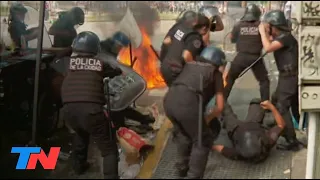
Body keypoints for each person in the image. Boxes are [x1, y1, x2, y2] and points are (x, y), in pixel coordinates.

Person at [61, 31, 122, 178]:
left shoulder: (67, 63)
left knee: (81, 133)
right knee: (108, 149)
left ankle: (78, 167)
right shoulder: (100, 63)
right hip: (92, 111)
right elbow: (117, 71)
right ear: (95, 49)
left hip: (69, 111)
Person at [163, 46, 225, 178]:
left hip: (169, 100)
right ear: (218, 63)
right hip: (187, 104)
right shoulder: (215, 73)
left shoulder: (189, 65)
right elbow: (219, 107)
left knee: (183, 134)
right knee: (202, 140)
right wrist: (206, 120)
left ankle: (181, 169)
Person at [258, 10, 302, 151]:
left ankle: (292, 141)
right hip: (288, 76)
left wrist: (262, 32)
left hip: (289, 77)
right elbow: (270, 42)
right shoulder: (283, 36)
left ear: (274, 25)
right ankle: (298, 127)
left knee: (281, 106)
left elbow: (269, 47)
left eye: (268, 26)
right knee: (282, 101)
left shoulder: (285, 37)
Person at [100, 31, 156, 129]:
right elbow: (107, 66)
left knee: (120, 103)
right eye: (119, 46)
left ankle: (142, 119)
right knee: (115, 106)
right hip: (99, 82)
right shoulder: (102, 50)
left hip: (108, 80)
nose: (120, 49)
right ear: (115, 42)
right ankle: (120, 128)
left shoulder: (110, 49)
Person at [212, 99, 285, 162]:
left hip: (235, 128)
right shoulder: (268, 142)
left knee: (225, 109)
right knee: (256, 102)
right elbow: (281, 125)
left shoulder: (238, 153)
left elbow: (220, 148)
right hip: (254, 123)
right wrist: (271, 107)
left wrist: (208, 145)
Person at [224, 4, 270, 102]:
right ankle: (265, 104)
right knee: (264, 81)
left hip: (241, 57)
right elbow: (266, 40)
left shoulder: (238, 25)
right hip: (256, 58)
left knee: (230, 78)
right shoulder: (260, 25)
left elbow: (232, 39)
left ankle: (220, 103)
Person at [160, 13, 210, 87]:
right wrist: (194, 73)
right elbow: (186, 56)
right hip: (176, 70)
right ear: (204, 28)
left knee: (174, 93)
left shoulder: (180, 27)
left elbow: (166, 41)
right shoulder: (195, 37)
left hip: (165, 67)